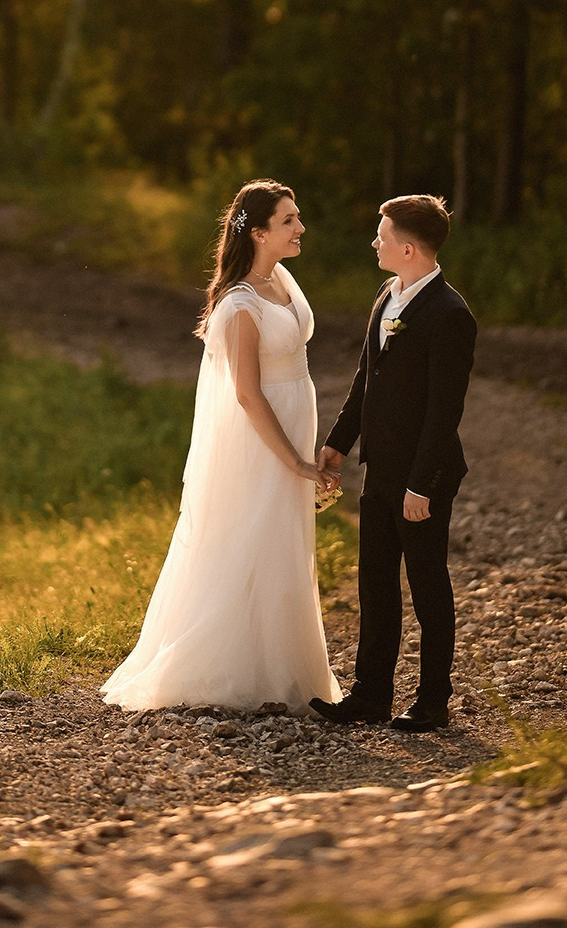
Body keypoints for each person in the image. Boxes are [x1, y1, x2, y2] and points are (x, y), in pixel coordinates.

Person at [101, 179, 340, 713]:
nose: (300, 228)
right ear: (258, 233)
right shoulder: (239, 305)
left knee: (285, 543)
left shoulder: (281, 276)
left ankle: (287, 667)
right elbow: (249, 395)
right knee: (254, 536)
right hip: (264, 439)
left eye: (297, 218)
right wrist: (297, 462)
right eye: (289, 221)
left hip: (295, 421)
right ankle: (237, 671)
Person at [310, 194, 476, 734]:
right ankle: (371, 694)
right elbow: (367, 380)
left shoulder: (451, 315)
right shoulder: (387, 296)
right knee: (375, 584)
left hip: (421, 479)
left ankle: (433, 701)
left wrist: (422, 485)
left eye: (381, 235)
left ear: (407, 248)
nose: (374, 242)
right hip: (379, 470)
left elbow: (444, 410)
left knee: (428, 586)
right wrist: (338, 442)